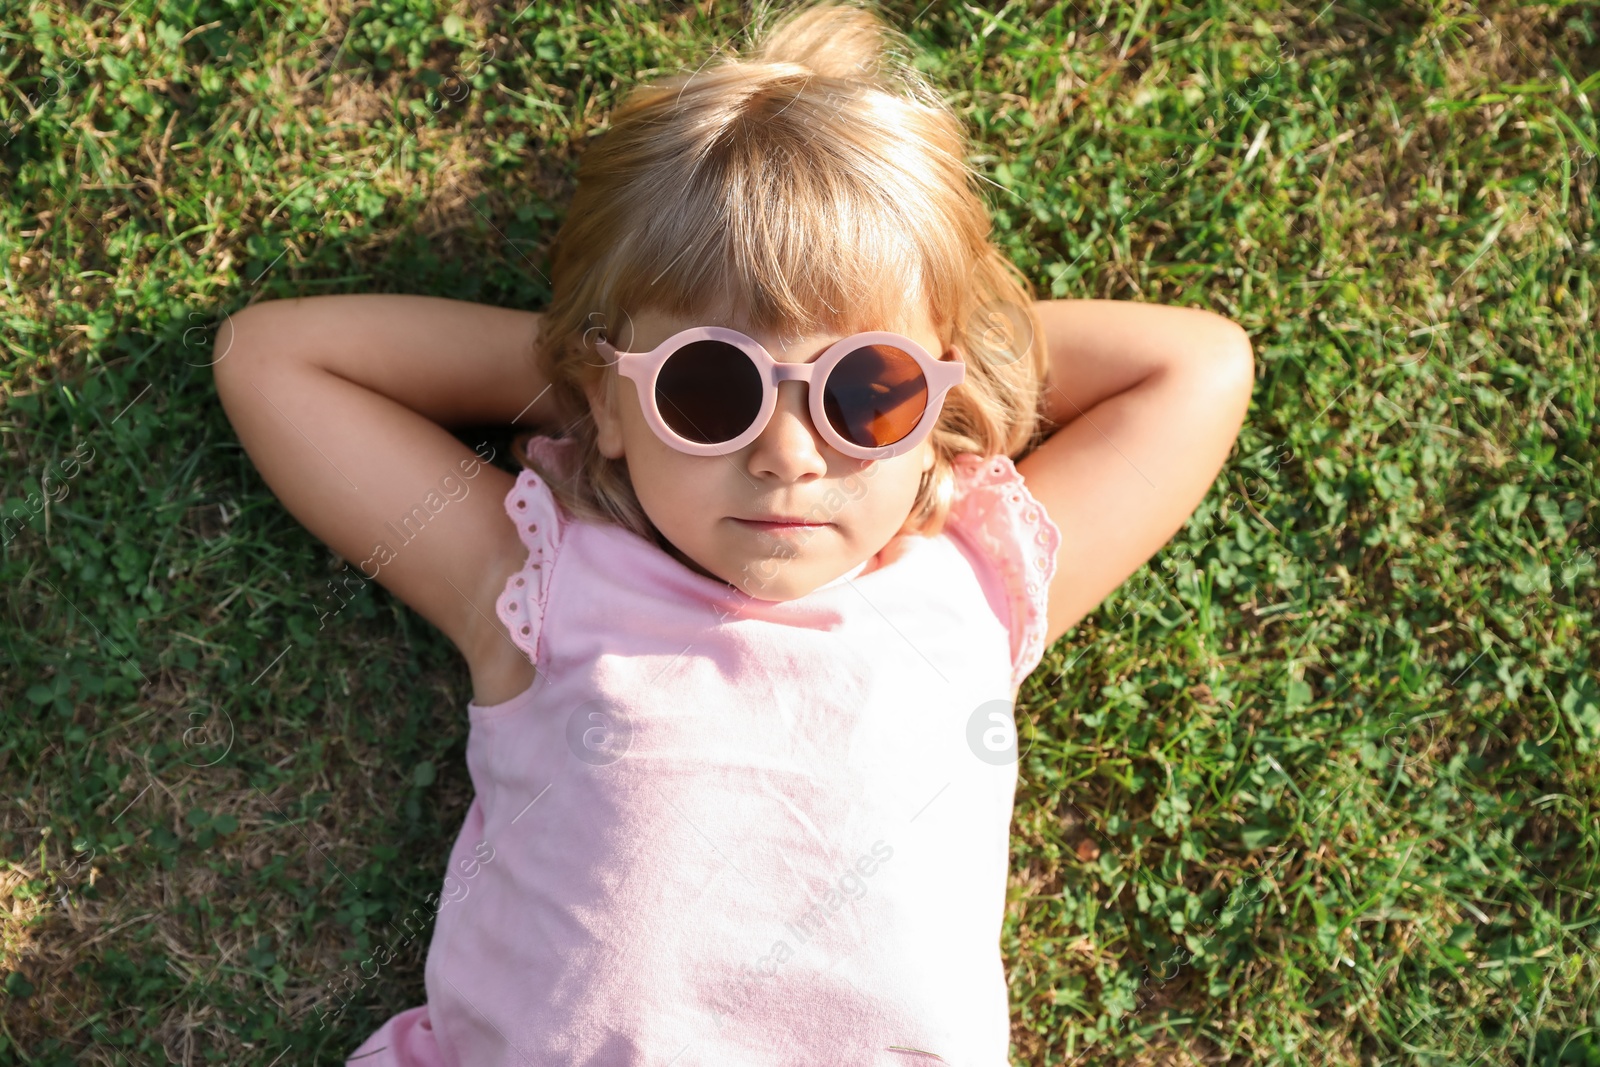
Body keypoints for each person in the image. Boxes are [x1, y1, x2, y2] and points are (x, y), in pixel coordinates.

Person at [211, 2, 1254, 1063]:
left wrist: (956, 370)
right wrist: (599, 383)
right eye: (710, 390)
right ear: (607, 401)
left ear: (935, 406)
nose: (790, 455)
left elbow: (1198, 368)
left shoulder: (972, 588)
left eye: (867, 391)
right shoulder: (538, 583)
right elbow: (276, 361)